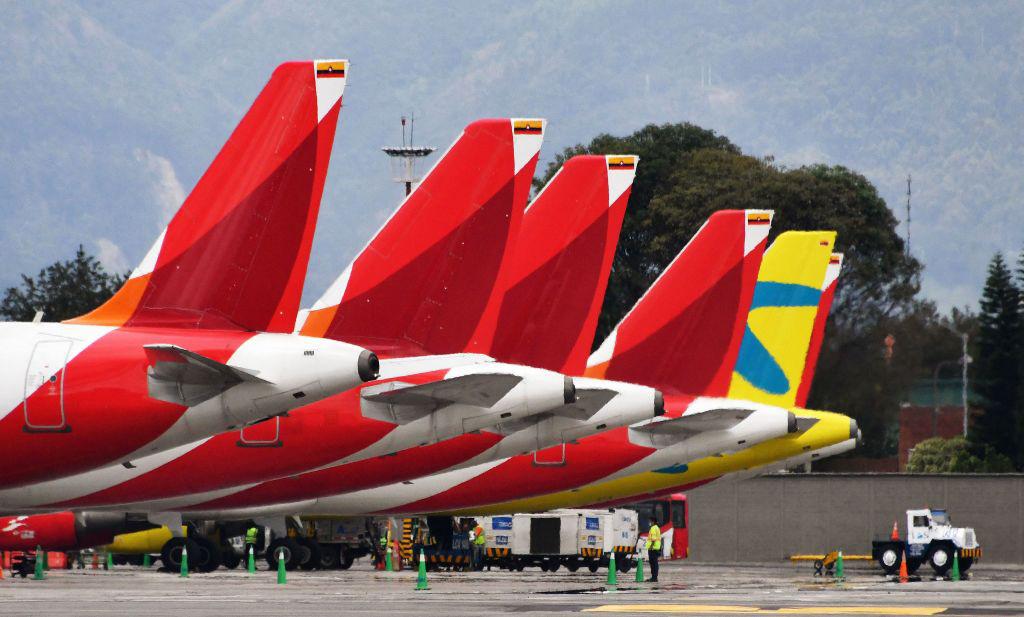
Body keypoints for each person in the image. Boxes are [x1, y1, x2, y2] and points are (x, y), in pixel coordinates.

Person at [645, 516, 661, 582]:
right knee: (655, 563)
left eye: (650, 521)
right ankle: (654, 577)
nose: (649, 522)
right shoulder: (657, 527)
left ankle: (654, 578)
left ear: (653, 521)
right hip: (655, 548)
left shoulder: (653, 528)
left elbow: (653, 539)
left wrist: (651, 546)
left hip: (653, 549)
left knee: (653, 563)